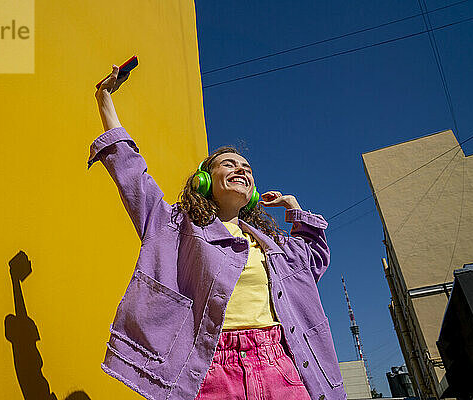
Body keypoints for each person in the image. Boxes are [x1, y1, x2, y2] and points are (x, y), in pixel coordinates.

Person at [89, 64, 346, 400]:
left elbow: (312, 263)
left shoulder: (273, 247)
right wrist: (105, 98)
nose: (240, 169)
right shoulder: (175, 228)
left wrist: (294, 208)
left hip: (281, 366)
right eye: (229, 164)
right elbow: (132, 175)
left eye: (246, 168)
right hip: (212, 369)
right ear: (205, 181)